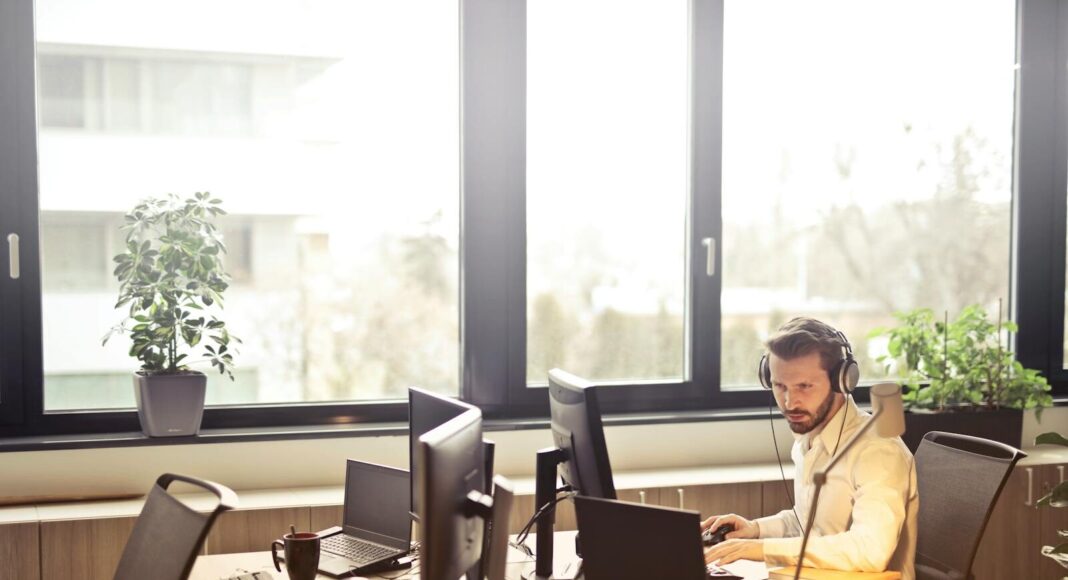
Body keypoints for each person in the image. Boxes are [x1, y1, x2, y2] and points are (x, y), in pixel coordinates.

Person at [703, 317, 918, 579]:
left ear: (842, 381)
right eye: (779, 386)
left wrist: (761, 549)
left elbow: (870, 551)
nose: (790, 402)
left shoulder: (878, 450)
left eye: (804, 386)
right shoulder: (809, 438)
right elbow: (808, 525)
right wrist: (755, 529)